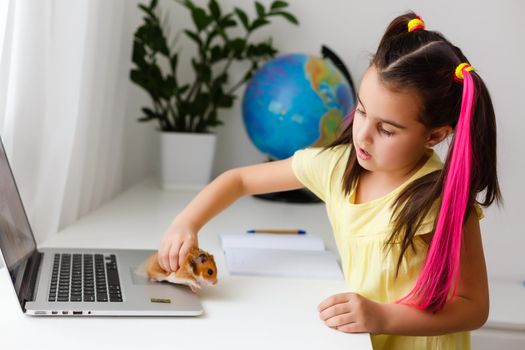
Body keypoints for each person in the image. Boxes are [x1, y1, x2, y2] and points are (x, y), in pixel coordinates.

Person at [157, 11, 502, 349]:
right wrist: (186, 222)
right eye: (363, 111)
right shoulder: (338, 166)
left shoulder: (442, 199)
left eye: (386, 129)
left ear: (434, 136)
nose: (363, 136)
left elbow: (474, 307)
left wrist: (383, 317)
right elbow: (240, 181)